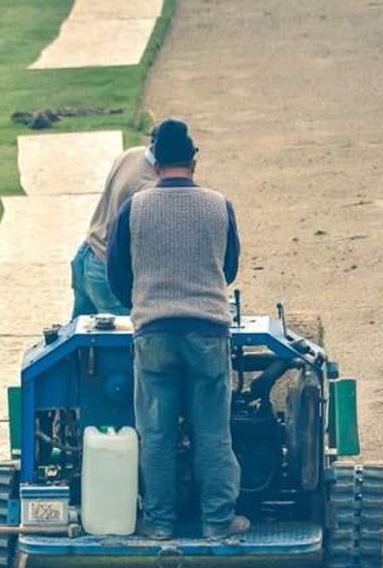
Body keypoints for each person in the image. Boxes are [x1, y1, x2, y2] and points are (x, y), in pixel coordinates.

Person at [105, 119, 249, 541]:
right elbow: (230, 267)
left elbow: (117, 273)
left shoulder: (135, 208)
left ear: (153, 160)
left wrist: (141, 302)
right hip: (208, 332)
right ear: (193, 159)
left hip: (153, 333)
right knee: (213, 433)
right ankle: (218, 522)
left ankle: (161, 522)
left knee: (157, 434)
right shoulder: (219, 205)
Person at [70, 131, 159, 317]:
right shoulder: (149, 189)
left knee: (81, 337)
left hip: (87, 255)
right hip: (109, 273)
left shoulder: (132, 155)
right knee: (126, 341)